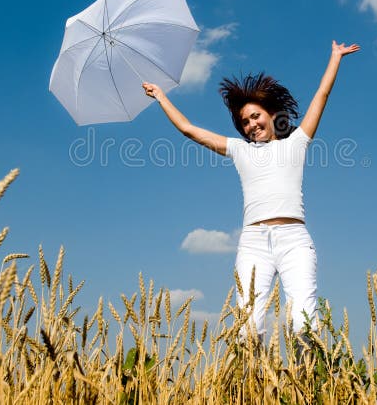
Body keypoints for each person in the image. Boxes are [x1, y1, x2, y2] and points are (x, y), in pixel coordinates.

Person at [142, 40, 360, 344]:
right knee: (247, 331)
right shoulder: (239, 150)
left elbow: (321, 96)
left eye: (255, 116)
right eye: (244, 122)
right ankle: (253, 391)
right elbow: (189, 130)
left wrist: (335, 58)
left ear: (271, 115)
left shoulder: (295, 143)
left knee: (303, 327)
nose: (251, 124)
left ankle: (307, 388)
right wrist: (161, 97)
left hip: (293, 241)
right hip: (253, 243)